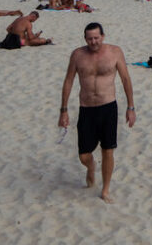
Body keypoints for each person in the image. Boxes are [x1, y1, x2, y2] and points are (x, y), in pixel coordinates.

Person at [58, 22, 135, 204]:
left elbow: (125, 79)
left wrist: (130, 107)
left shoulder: (115, 52)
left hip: (108, 107)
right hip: (86, 109)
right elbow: (68, 81)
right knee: (84, 154)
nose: (93, 42)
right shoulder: (78, 55)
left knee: (108, 150)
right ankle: (91, 167)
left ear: (103, 36)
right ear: (85, 39)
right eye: (90, 38)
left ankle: (105, 190)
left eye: (96, 38)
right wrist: (63, 110)